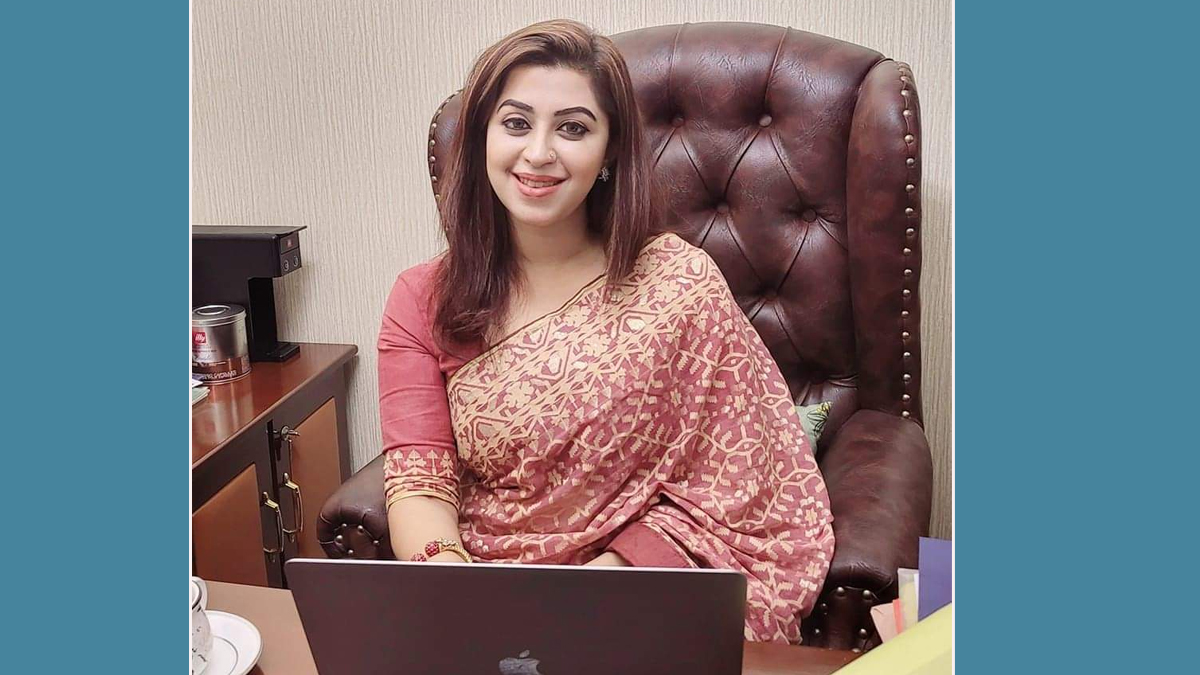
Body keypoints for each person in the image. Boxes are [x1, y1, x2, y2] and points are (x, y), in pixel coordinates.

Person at [380, 19, 834, 644]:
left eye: (573, 128)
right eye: (516, 123)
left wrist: (596, 588)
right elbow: (418, 478)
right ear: (481, 136)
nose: (539, 153)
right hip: (481, 593)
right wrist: (455, 582)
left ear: (610, 152)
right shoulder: (422, 299)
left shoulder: (677, 283)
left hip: (638, 591)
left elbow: (743, 487)